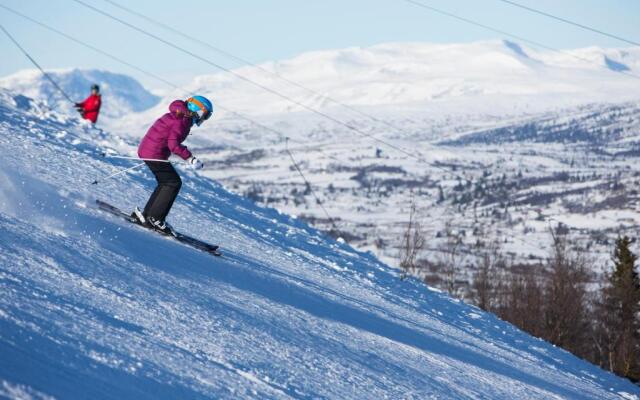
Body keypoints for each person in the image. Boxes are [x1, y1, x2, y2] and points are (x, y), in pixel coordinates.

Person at [132, 96, 212, 234]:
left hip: (150, 151)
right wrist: (190, 158)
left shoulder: (180, 114)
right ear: (197, 110)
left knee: (166, 182)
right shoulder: (182, 120)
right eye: (204, 115)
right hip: (154, 153)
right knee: (173, 183)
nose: (203, 119)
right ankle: (155, 218)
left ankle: (147, 216)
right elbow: (173, 145)